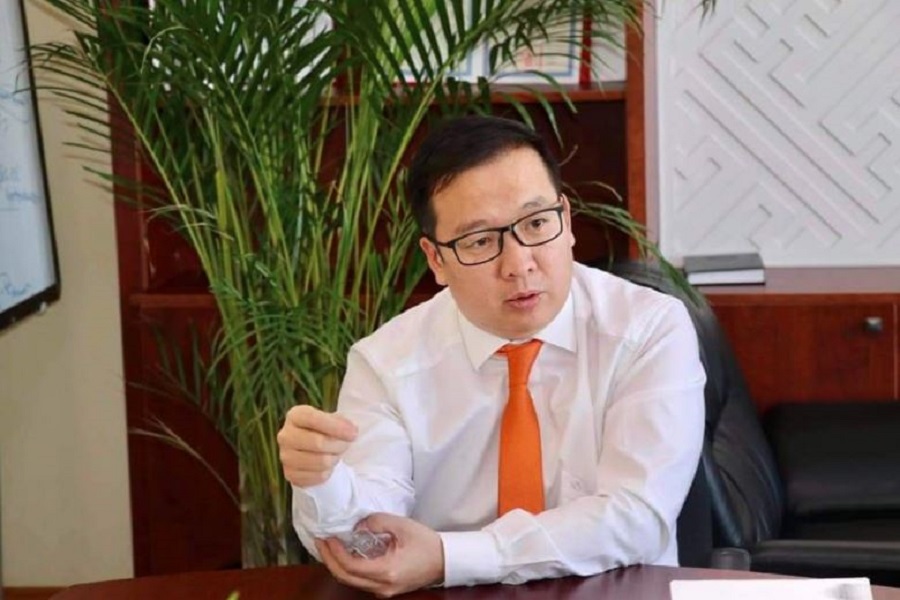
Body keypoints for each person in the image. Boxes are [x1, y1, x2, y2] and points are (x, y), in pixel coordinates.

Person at [277, 115, 705, 597]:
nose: (518, 264)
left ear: (566, 222)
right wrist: (321, 482)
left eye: (537, 224)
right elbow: (371, 538)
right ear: (436, 259)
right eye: (480, 241)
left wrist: (451, 556)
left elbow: (636, 517)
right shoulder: (386, 364)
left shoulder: (649, 329)